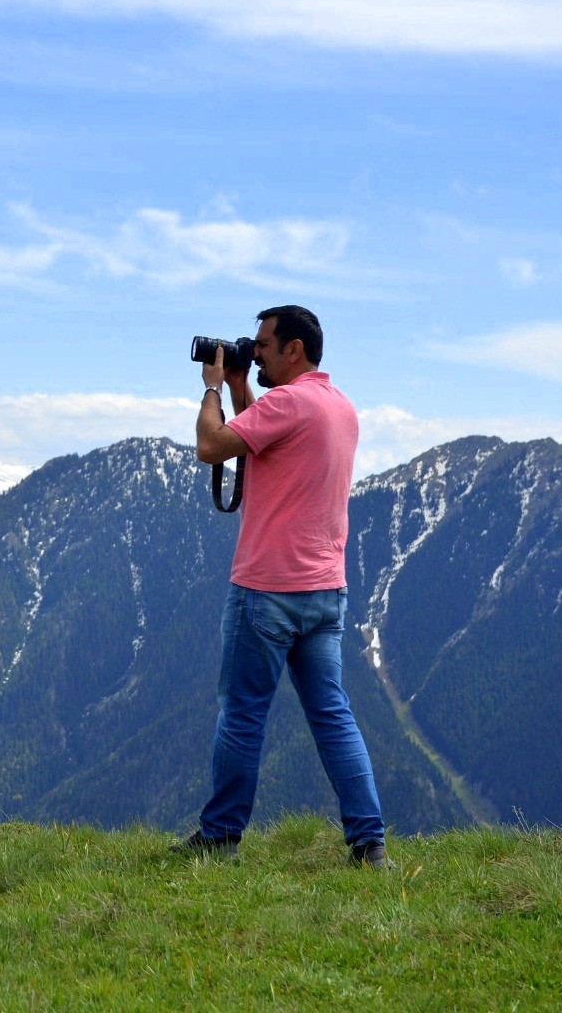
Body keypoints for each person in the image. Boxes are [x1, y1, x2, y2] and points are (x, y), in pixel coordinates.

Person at [176, 304, 390, 868]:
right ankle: (369, 844)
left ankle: (221, 838)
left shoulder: (288, 403)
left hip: (267, 591)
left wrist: (214, 390)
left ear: (294, 349)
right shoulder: (337, 407)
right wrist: (248, 385)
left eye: (263, 346)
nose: (255, 350)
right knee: (332, 714)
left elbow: (212, 446)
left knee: (243, 713)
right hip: (325, 594)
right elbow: (268, 440)